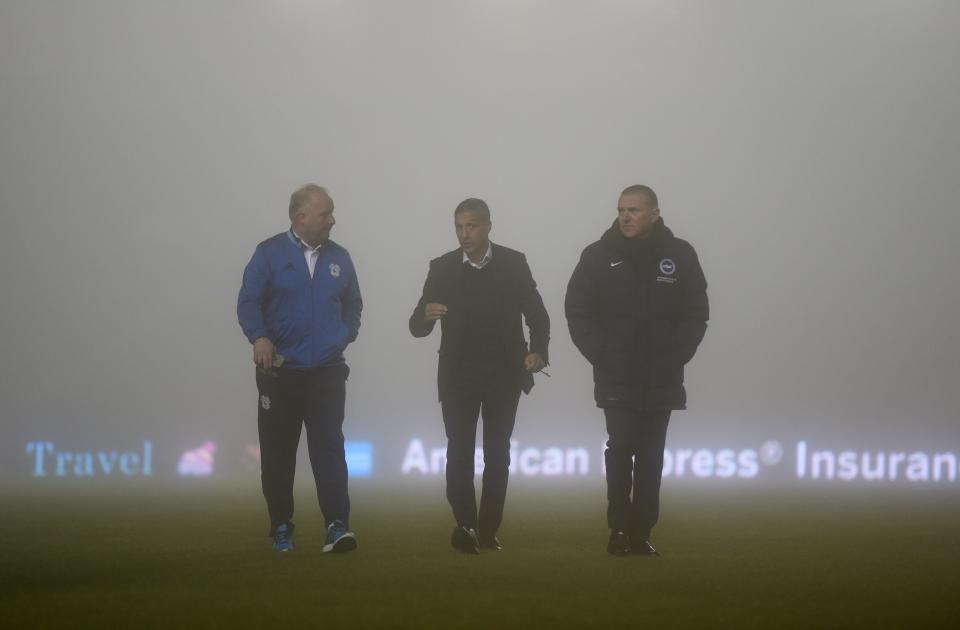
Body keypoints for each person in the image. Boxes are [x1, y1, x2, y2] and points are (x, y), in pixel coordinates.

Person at [565, 185, 708, 557]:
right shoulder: (597, 256)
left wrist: (678, 353)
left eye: (634, 210)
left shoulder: (680, 255)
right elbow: (578, 309)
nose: (626, 216)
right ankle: (618, 528)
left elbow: (696, 312)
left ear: (655, 214)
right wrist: (600, 353)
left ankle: (641, 532)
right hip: (616, 374)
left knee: (651, 455)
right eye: (621, 210)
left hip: (662, 375)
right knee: (622, 443)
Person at [409, 198, 550, 553]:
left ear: (488, 225)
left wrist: (538, 351)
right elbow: (416, 326)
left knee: (498, 454)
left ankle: (488, 530)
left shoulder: (514, 263)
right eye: (458, 226)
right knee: (458, 452)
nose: (463, 233)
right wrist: (426, 315)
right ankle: (466, 525)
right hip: (458, 376)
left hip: (504, 374)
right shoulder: (441, 267)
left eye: (470, 225)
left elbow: (538, 315)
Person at [237, 184, 362, 553]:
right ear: (300, 217)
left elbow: (353, 305)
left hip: (326, 371)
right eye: (325, 214)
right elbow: (247, 302)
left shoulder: (341, 257)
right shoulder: (268, 253)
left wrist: (342, 336)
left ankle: (338, 526)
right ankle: (281, 528)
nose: (332, 220)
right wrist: (259, 337)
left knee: (329, 449)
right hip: (281, 372)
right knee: (278, 455)